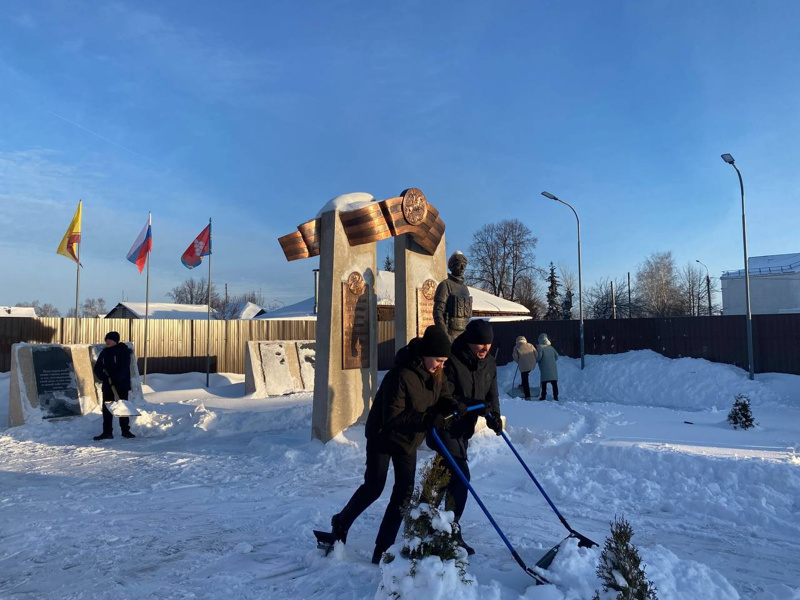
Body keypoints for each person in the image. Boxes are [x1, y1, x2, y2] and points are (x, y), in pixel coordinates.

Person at [330, 326, 466, 564]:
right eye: (437, 360)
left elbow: (443, 397)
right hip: (383, 437)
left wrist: (454, 405)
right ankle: (341, 522)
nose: (440, 365)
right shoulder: (401, 375)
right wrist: (426, 419)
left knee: (403, 494)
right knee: (374, 487)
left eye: (444, 361)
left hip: (408, 440)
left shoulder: (437, 374)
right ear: (425, 354)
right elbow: (392, 416)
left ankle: (383, 548)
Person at [427, 319, 501, 556]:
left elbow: (492, 393)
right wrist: (472, 405)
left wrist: (494, 416)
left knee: (441, 478)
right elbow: (446, 395)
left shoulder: (489, 362)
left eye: (488, 344)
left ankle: (421, 519)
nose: (485, 348)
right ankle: (450, 531)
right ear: (469, 342)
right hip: (446, 427)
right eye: (480, 343)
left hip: (463, 431)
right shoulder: (452, 360)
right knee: (461, 476)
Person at [92, 331, 136, 440]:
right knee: (107, 408)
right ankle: (107, 432)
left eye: (110, 339)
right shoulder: (104, 353)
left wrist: (116, 379)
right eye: (106, 339)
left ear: (115, 341)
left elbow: (124, 368)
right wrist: (104, 377)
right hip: (108, 386)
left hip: (121, 385)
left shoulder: (123, 351)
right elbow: (97, 368)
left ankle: (125, 431)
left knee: (123, 407)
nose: (107, 341)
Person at [433, 251, 473, 341]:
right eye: (459, 265)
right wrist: (444, 335)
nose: (462, 268)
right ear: (451, 266)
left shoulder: (465, 288)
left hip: (465, 334)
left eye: (464, 265)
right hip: (451, 334)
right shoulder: (445, 285)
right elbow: (438, 312)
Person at [512, 336, 538, 400]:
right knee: (525, 374)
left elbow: (515, 357)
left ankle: (527, 395)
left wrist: (519, 361)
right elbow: (536, 354)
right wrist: (534, 361)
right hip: (532, 364)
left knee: (525, 378)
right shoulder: (530, 345)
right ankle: (522, 385)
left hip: (523, 365)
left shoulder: (516, 347)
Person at [536, 333, 559, 401]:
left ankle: (543, 396)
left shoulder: (540, 347)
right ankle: (555, 396)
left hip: (545, 367)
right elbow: (556, 356)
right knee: (554, 383)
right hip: (553, 368)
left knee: (544, 382)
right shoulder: (551, 347)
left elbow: (539, 357)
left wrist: (535, 360)